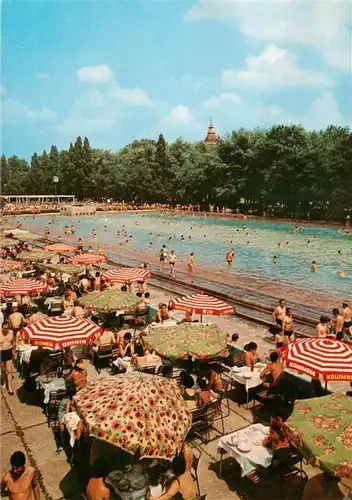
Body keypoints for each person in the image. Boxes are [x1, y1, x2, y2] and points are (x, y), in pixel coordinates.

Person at [0, 322, 15, 394]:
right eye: (4, 328)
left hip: (9, 351)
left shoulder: (11, 332)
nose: (5, 330)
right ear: (2, 327)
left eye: (7, 328)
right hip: (1, 352)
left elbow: (13, 341)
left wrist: (14, 350)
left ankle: (10, 387)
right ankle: (4, 383)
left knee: (9, 370)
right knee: (3, 369)